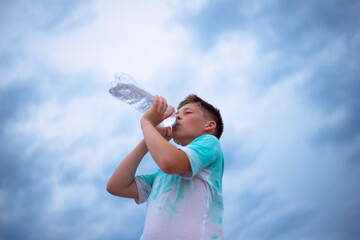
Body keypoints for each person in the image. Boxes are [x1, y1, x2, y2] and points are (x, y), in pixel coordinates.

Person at [107, 94, 225, 240]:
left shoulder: (210, 142)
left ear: (209, 125)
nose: (178, 117)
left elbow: (169, 162)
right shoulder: (160, 176)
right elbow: (116, 186)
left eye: (187, 112)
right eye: (177, 113)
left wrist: (147, 123)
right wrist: (146, 143)